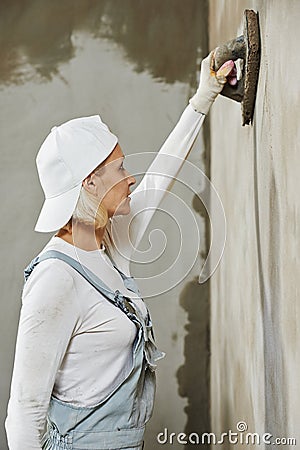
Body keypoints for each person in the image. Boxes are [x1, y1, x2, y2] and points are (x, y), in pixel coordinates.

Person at [5, 49, 234, 450]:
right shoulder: (54, 280)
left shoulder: (107, 243)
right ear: (90, 182)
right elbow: (24, 413)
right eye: (120, 168)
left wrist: (204, 97)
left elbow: (161, 175)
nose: (130, 179)